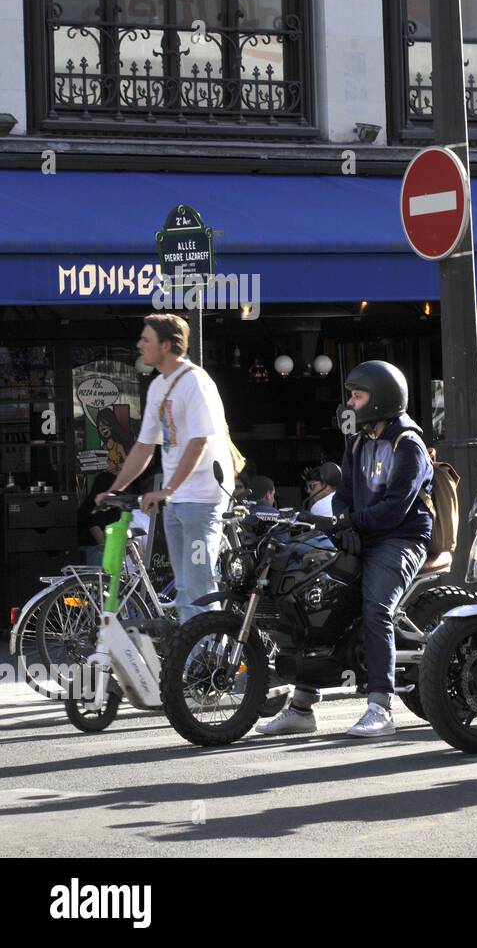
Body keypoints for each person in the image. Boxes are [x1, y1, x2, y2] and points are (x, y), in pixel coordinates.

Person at [257, 360, 433, 739]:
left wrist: (354, 524)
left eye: (357, 395)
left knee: (375, 608)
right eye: (350, 395)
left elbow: (396, 508)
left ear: (381, 398)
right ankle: (302, 706)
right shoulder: (357, 440)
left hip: (401, 538)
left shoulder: (409, 444)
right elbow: (344, 497)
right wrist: (344, 522)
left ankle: (381, 707)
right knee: (318, 601)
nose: (350, 403)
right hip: (364, 532)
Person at [97, 314, 233, 624]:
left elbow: (199, 442)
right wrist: (116, 488)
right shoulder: (158, 385)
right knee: (184, 589)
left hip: (202, 499)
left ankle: (210, 663)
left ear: (167, 345)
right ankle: (191, 662)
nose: (139, 344)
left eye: (146, 339)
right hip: (176, 499)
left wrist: (168, 489)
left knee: (198, 588)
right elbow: (145, 446)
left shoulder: (196, 383)